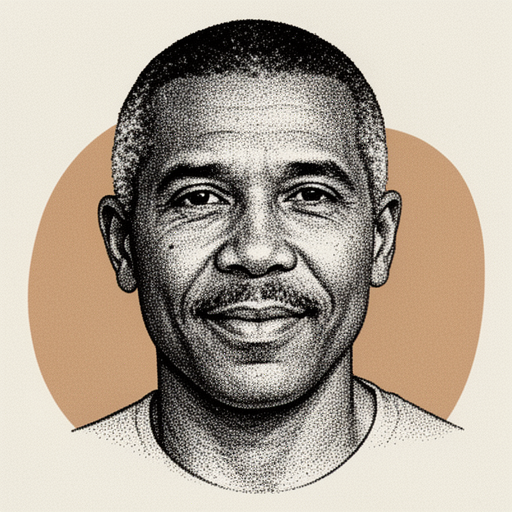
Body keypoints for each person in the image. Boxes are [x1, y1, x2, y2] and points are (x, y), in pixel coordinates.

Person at [76, 19, 461, 493]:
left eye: (311, 195)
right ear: (123, 245)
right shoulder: (38, 485)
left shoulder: (477, 480)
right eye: (200, 198)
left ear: (379, 240)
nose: (257, 252)